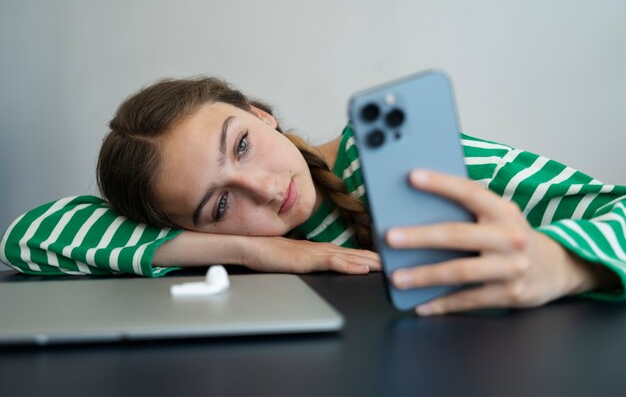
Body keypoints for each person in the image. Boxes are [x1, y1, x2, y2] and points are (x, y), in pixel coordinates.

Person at [1, 76, 624, 316]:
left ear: (258, 113)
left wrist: (560, 263)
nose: (267, 191)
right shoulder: (248, 245)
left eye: (240, 145)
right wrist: (255, 253)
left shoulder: (392, 164)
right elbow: (29, 236)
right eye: (220, 204)